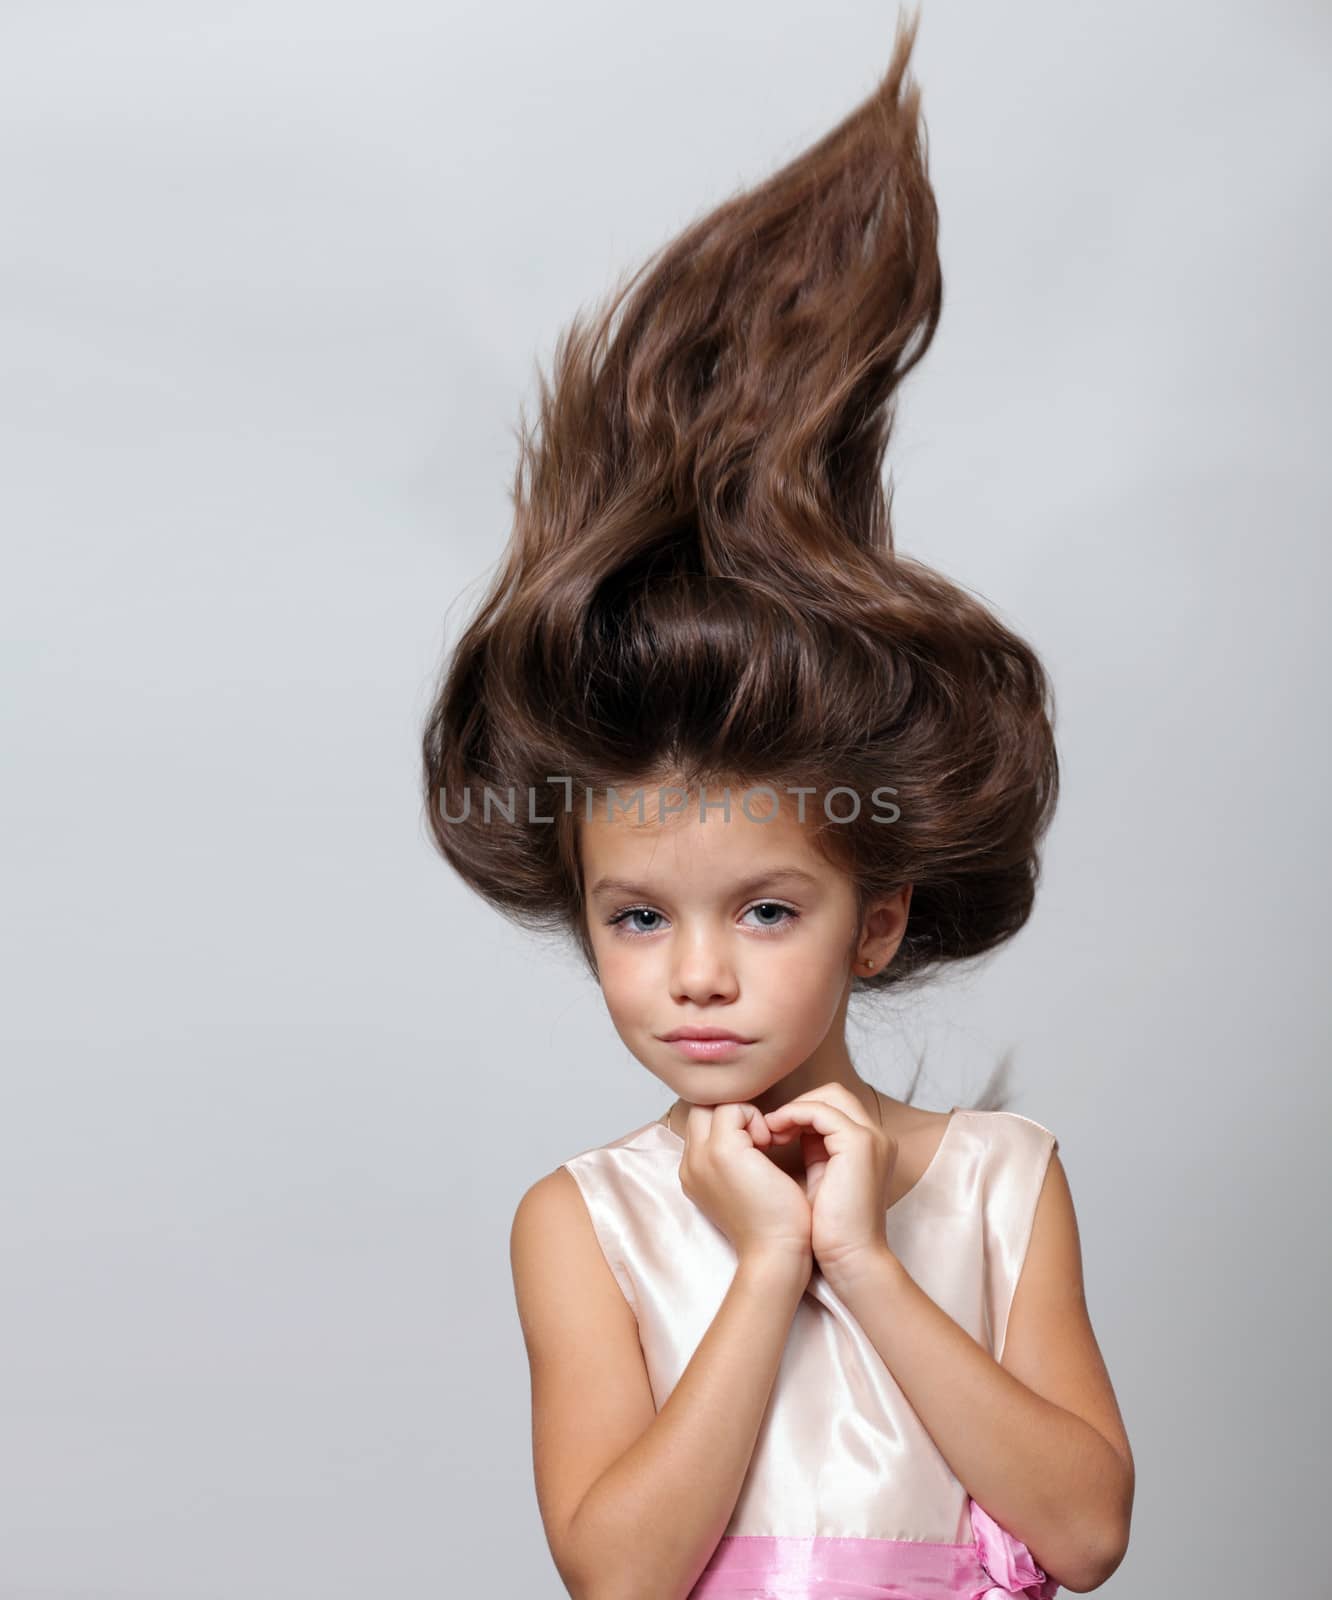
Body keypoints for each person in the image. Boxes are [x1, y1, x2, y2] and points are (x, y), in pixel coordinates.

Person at [421, 11, 1134, 1597]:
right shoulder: (583, 1223)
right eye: (635, 917)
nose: (696, 974)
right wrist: (761, 1269)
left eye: (765, 910)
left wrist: (862, 1258)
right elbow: (617, 1574)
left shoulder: (1000, 1184)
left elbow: (1085, 1536)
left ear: (876, 918)